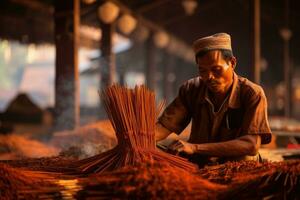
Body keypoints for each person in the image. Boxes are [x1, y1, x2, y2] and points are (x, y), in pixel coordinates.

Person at [155, 33, 272, 166]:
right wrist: (139, 138)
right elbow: (164, 127)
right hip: (198, 163)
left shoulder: (252, 94)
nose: (209, 77)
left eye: (216, 69)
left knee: (245, 161)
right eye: (203, 71)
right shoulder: (191, 89)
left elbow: (251, 145)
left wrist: (195, 148)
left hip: (236, 167)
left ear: (232, 63)